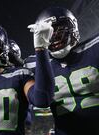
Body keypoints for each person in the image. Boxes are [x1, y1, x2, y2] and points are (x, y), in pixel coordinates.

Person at [25, 6, 99, 135]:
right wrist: (40, 50)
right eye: (49, 32)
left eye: (59, 30)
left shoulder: (94, 47)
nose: (55, 36)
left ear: (73, 28)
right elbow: (39, 102)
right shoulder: (33, 64)